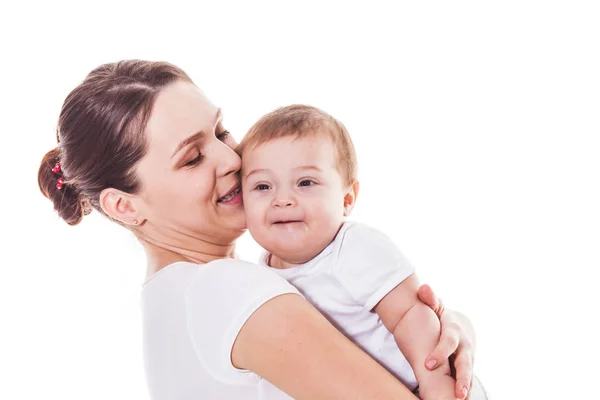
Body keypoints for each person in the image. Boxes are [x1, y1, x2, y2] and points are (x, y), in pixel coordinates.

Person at [37, 60, 479, 399]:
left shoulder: (181, 298)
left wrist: (436, 328)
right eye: (192, 158)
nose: (231, 159)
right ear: (124, 205)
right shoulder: (226, 290)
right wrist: (445, 362)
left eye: (221, 131)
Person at [238, 105, 483, 400]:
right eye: (263, 186)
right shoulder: (258, 277)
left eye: (305, 183)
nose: (283, 199)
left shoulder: (355, 248)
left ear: (347, 198)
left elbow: (413, 317)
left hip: (420, 386)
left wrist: (438, 386)